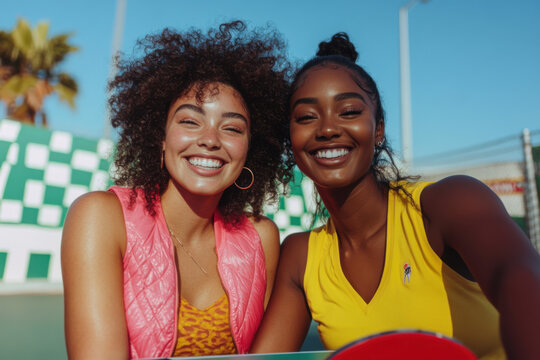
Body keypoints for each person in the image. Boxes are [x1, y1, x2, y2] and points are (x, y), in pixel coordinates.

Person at [251, 33, 540, 360]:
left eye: (348, 111)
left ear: (378, 129)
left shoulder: (448, 204)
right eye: (306, 117)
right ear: (290, 137)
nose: (327, 129)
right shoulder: (301, 257)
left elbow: (521, 278)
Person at [61, 21, 294, 359]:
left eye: (231, 128)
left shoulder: (261, 237)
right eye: (189, 121)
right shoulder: (100, 217)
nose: (210, 140)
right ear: (161, 137)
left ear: (250, 151)